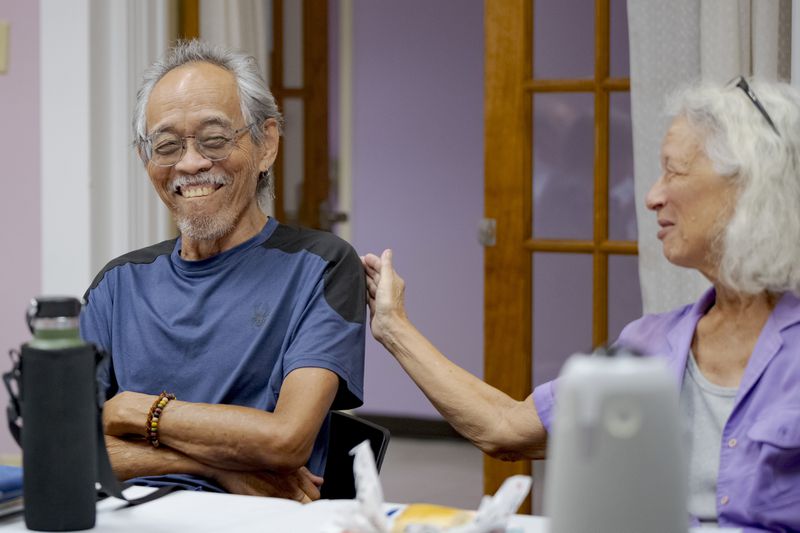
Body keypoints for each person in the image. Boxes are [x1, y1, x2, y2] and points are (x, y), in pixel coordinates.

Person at [362, 77, 800, 531]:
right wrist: (394, 327)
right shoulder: (648, 345)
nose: (652, 197)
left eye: (675, 171)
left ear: (747, 187)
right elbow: (505, 427)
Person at [80, 40, 365, 502]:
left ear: (266, 144)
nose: (190, 163)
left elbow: (286, 440)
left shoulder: (322, 265)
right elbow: (65, 450)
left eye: (214, 139)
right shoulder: (118, 284)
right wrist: (212, 466)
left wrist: (133, 410)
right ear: (145, 160)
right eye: (167, 145)